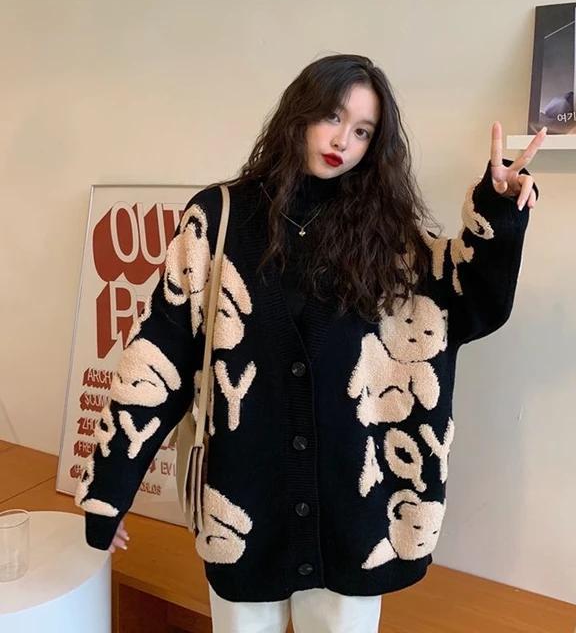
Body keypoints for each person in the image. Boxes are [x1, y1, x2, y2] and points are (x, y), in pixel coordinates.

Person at [75, 53, 544, 633]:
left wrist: (499, 209)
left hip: (353, 516)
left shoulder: (391, 235)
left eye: (363, 131)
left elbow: (466, 305)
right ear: (298, 113)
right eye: (332, 116)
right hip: (244, 509)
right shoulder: (219, 219)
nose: (343, 140)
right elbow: (161, 351)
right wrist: (110, 489)